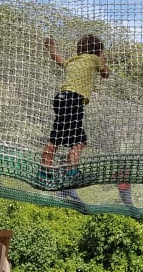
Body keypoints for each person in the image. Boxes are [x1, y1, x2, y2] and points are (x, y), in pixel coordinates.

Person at [39, 35, 111, 199]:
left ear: (79, 49)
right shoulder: (94, 59)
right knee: (79, 140)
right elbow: (106, 74)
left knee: (56, 137)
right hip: (74, 100)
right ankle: (72, 172)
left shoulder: (73, 60)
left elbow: (58, 59)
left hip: (61, 98)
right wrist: (102, 58)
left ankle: (44, 171)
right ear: (98, 51)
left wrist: (51, 47)